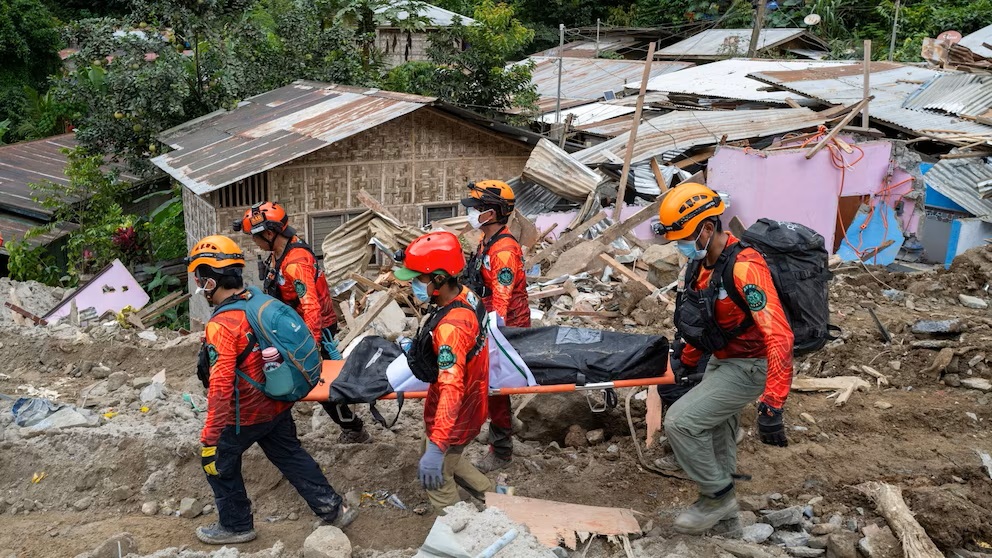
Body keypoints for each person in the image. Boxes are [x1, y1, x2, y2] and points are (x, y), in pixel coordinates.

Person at [187, 235, 357, 545]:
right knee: (290, 454)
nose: (200, 285)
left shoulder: (223, 325)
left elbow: (221, 387)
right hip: (276, 403)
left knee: (217, 464)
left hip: (245, 414)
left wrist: (210, 438)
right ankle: (333, 508)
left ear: (210, 280)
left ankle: (236, 525)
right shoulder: (259, 301)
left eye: (200, 278)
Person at [654, 183, 794, 534]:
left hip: (751, 365)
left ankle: (717, 497)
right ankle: (727, 523)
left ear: (706, 228)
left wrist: (772, 404)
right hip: (721, 359)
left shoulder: (746, 268)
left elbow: (779, 336)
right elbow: (707, 323)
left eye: (684, 238)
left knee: (681, 423)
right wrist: (685, 361)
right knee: (716, 431)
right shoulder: (701, 267)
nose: (681, 247)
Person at [234, 201, 371, 444]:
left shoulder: (296, 263)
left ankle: (354, 428)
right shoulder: (280, 253)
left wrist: (311, 346)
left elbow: (311, 306)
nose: (254, 242)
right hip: (294, 327)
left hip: (311, 329)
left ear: (269, 233)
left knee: (320, 385)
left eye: (255, 237)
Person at [393, 231, 495, 514]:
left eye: (418, 279)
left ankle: (462, 532)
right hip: (470, 403)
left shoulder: (451, 327)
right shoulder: (466, 296)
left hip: (456, 413)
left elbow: (452, 388)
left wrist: (438, 445)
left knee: (437, 476)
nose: (412, 284)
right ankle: (496, 497)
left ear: (439, 279)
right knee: (449, 457)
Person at [459, 180, 529, 472]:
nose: (472, 213)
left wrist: (491, 332)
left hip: (505, 326)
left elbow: (501, 298)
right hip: (489, 319)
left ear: (492, 213)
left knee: (494, 387)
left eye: (476, 208)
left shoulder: (503, 252)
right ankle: (506, 423)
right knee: (492, 387)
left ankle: (501, 450)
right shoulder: (486, 242)